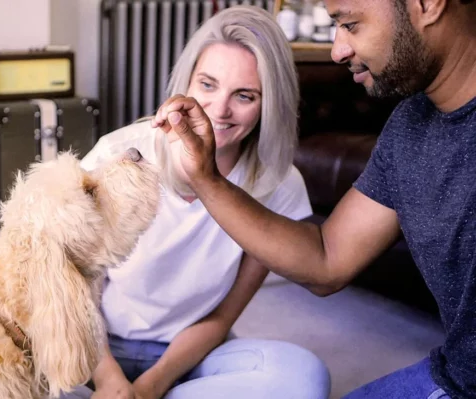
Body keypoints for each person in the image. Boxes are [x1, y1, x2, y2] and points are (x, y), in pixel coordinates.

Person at [152, 0, 476, 398]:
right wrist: (207, 178)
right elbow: (327, 258)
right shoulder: (410, 126)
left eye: (351, 25)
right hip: (457, 374)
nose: (337, 50)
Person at [62, 5, 331, 399]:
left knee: (304, 378)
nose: (219, 110)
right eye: (207, 85)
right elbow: (74, 290)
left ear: (269, 102)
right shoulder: (117, 153)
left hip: (190, 358)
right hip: (93, 347)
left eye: (244, 95)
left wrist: (152, 385)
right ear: (186, 82)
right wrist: (109, 381)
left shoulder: (279, 183)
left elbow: (224, 316)